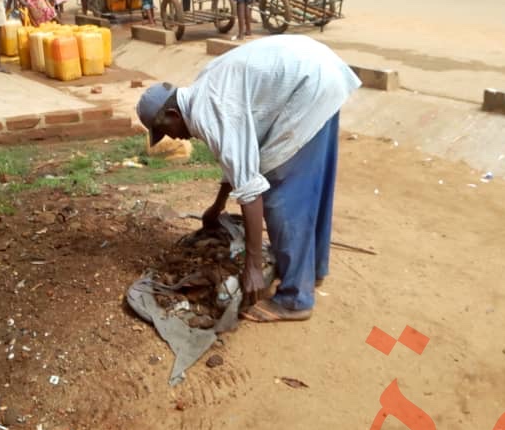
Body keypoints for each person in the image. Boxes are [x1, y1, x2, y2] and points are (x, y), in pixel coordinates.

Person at [136, 36, 360, 322]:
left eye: (165, 130)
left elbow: (250, 190)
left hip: (308, 85)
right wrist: (217, 206)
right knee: (311, 186)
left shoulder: (209, 113)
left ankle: (294, 300)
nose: (172, 137)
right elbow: (238, 157)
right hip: (318, 72)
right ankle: (311, 272)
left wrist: (253, 265)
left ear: (171, 114)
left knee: (282, 198)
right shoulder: (200, 94)